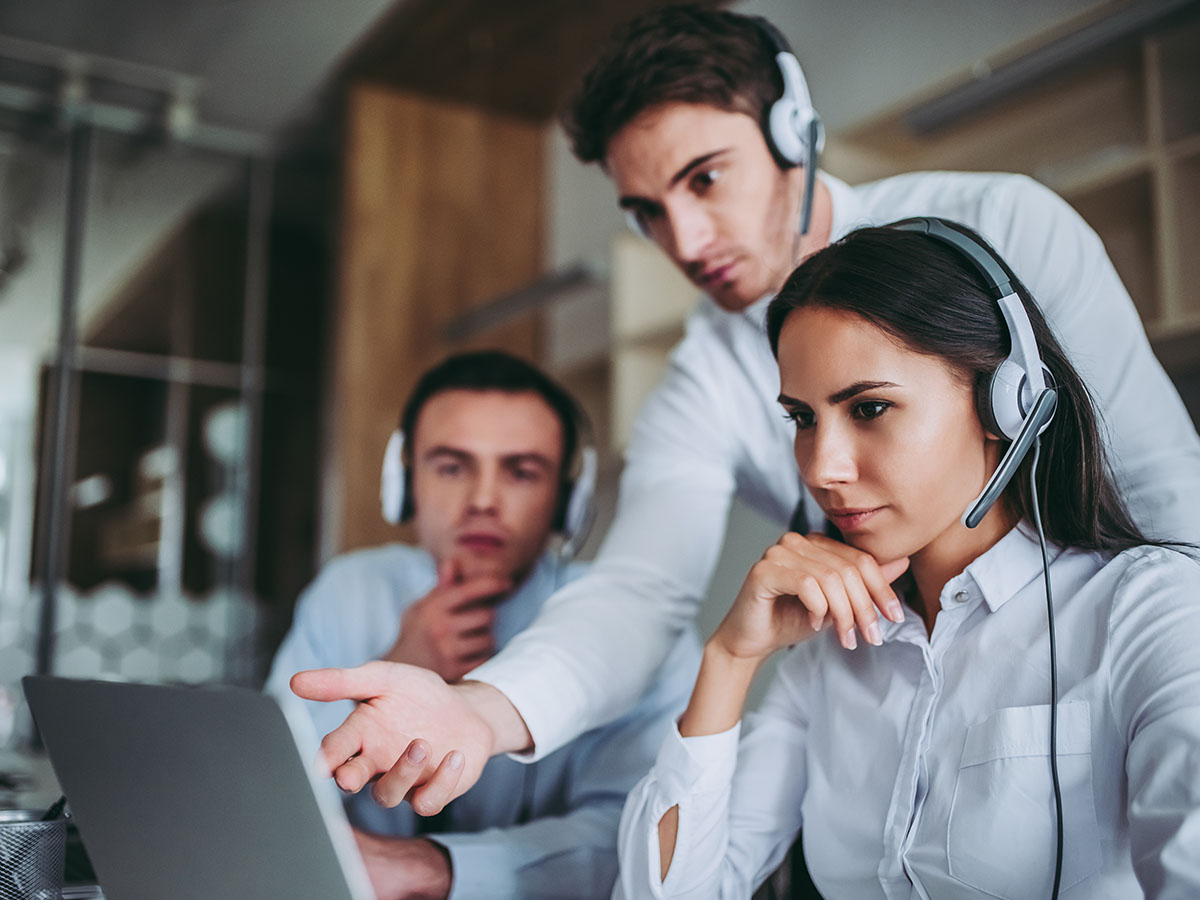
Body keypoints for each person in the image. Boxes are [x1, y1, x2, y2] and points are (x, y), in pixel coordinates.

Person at [290, 4, 1200, 816]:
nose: (682, 242)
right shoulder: (703, 376)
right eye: (646, 210)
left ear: (792, 130)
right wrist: (480, 712)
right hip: (881, 722)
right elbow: (642, 588)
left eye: (706, 179)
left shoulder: (1004, 231)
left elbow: (1162, 489)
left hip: (1091, 704)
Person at [615, 221, 1200, 899]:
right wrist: (730, 659)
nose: (821, 468)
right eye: (802, 419)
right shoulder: (830, 657)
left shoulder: (1151, 611)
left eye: (869, 408)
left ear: (1004, 403)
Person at [267, 350, 698, 900]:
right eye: (452, 467)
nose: (483, 501)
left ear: (568, 501)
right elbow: (268, 795)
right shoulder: (349, 592)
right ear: (405, 483)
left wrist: (430, 867)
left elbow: (641, 839)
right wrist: (393, 668)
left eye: (521, 472)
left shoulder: (638, 627)